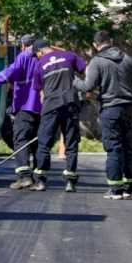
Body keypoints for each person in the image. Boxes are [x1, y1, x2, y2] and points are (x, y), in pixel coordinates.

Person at [74, 31, 132, 200]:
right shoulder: (127, 59)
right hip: (130, 109)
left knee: (114, 148)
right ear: (110, 41)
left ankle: (115, 189)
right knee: (128, 148)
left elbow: (87, 86)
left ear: (96, 45)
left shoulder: (97, 61)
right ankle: (128, 187)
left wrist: (74, 80)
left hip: (111, 109)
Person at [0, 34, 42, 190]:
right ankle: (39, 178)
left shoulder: (24, 56)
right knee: (38, 143)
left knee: (21, 139)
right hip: (43, 107)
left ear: (23, 46)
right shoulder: (43, 57)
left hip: (25, 106)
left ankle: (25, 177)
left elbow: (9, 73)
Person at [31, 40, 87, 192]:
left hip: (51, 105)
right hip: (70, 103)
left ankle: (41, 181)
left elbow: (40, 93)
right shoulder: (69, 55)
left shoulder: (39, 65)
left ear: (39, 52)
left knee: (44, 143)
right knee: (71, 144)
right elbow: (85, 70)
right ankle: (70, 182)